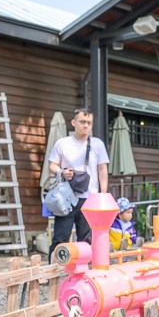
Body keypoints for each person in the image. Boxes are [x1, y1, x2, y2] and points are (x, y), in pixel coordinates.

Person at [46, 108, 109, 261]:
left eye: (89, 123)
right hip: (66, 197)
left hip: (90, 198)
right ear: (74, 123)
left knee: (86, 239)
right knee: (60, 237)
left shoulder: (97, 144)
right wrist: (62, 172)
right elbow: (52, 165)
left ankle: (83, 272)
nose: (85, 126)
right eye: (82, 122)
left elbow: (102, 170)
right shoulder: (63, 143)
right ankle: (52, 272)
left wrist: (103, 195)